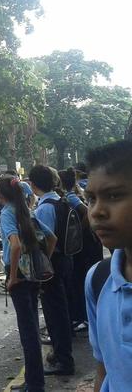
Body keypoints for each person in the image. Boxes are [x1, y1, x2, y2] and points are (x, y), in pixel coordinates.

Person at [0, 175, 57, 392]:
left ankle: (34, 384)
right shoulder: (27, 212)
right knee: (31, 326)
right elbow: (52, 239)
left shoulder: (7, 213)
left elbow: (14, 246)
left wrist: (12, 277)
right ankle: (34, 380)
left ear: (1, 194)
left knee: (28, 331)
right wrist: (42, 264)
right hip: (32, 275)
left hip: (20, 277)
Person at [83, 139, 132, 392]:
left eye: (114, 196)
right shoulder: (99, 278)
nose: (97, 211)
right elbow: (104, 369)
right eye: (91, 198)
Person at [29, 165, 75, 376]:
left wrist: (41, 268)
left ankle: (64, 360)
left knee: (55, 313)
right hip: (65, 260)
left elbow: (47, 240)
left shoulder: (45, 207)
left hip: (53, 265)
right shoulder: (61, 200)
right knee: (61, 310)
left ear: (33, 184)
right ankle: (60, 354)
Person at [59, 168, 103, 332]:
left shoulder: (70, 197)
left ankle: (84, 318)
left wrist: (79, 231)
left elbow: (86, 212)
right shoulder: (70, 195)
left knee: (79, 280)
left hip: (82, 247)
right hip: (83, 246)